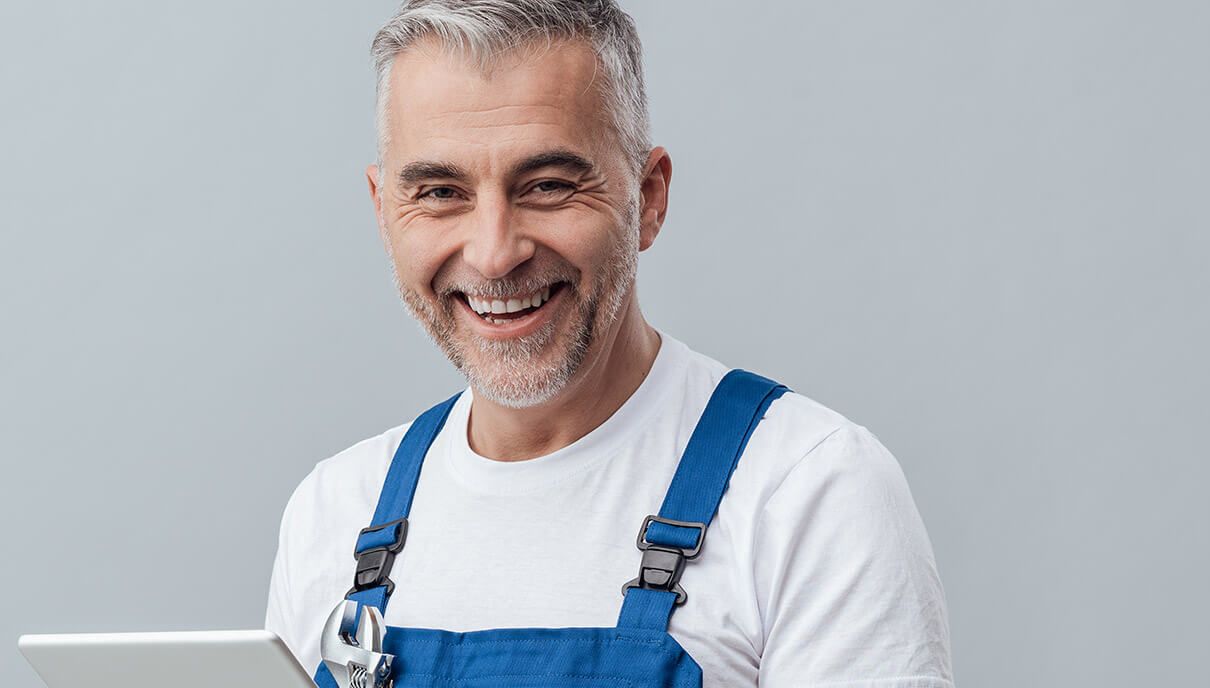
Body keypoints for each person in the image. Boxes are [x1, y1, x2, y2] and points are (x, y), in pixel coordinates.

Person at [264, 1, 952, 685]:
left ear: (647, 199)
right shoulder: (335, 514)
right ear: (385, 216)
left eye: (548, 186)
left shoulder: (806, 493)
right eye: (442, 192)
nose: (495, 253)